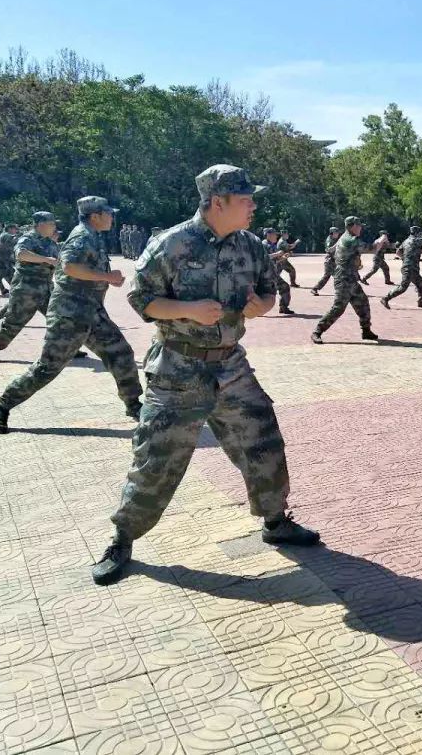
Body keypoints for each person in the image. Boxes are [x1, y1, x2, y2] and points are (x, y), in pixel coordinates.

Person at [90, 164, 319, 586]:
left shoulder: (250, 245)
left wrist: (260, 306)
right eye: (245, 198)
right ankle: (122, 539)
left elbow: (268, 293)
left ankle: (275, 521)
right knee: (157, 457)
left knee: (263, 440)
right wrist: (187, 310)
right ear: (218, 202)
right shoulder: (170, 244)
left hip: (231, 364)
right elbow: (141, 299)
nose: (253, 205)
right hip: (179, 366)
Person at [0, 196, 143, 433]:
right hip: (69, 314)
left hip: (92, 312)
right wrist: (107, 277)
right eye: (108, 213)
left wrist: (107, 277)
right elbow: (69, 266)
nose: (112, 217)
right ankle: (2, 405)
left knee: (121, 354)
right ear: (95, 216)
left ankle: (134, 405)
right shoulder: (82, 236)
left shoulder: (94, 236)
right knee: (47, 368)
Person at [0, 213, 60, 362]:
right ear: (41, 224)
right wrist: (46, 260)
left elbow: (58, 262)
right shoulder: (28, 239)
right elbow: (21, 254)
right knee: (13, 322)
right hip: (26, 290)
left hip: (46, 289)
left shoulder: (51, 243)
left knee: (60, 319)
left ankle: (67, 348)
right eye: (51, 224)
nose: (54, 227)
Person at [312, 216, 378, 344]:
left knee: (363, 303)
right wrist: (380, 241)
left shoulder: (346, 237)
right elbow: (371, 248)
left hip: (351, 278)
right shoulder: (350, 239)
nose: (360, 228)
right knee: (338, 308)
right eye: (358, 225)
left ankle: (366, 331)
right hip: (343, 279)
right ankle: (317, 331)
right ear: (351, 226)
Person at [380, 226, 422, 309]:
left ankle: (421, 302)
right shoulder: (418, 240)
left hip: (410, 267)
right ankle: (385, 298)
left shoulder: (406, 241)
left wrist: (405, 259)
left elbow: (398, 252)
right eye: (419, 233)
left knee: (421, 284)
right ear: (417, 233)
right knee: (403, 287)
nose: (420, 234)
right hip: (409, 268)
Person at [260, 227, 295, 315]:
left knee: (285, 287)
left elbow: (275, 260)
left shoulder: (272, 245)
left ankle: (283, 307)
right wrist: (277, 254)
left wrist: (284, 257)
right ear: (268, 235)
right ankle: (257, 310)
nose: (276, 236)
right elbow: (262, 258)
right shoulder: (263, 244)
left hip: (272, 273)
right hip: (265, 274)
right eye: (274, 234)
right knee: (263, 293)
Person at [310, 226, 341, 295]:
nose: (338, 234)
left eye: (338, 233)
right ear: (332, 233)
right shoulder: (329, 240)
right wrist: (337, 245)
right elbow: (329, 250)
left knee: (337, 276)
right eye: (336, 233)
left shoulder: (335, 239)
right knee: (332, 276)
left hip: (334, 260)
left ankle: (315, 288)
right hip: (330, 261)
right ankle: (315, 288)